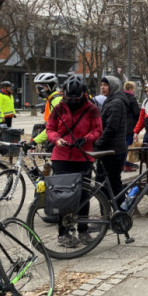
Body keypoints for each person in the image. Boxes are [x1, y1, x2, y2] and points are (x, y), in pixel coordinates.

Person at [46, 75, 102, 247]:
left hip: (83, 156)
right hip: (61, 157)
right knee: (63, 197)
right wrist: (57, 139)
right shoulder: (59, 108)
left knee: (83, 195)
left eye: (75, 99)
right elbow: (50, 128)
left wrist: (86, 139)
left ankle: (83, 230)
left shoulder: (92, 109)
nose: (72, 102)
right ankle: (64, 233)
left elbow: (98, 129)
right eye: (69, 98)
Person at [94, 76, 128, 204]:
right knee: (109, 183)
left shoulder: (116, 102)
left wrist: (98, 143)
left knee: (110, 183)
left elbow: (111, 128)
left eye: (105, 85)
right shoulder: (112, 100)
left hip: (112, 150)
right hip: (111, 149)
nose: (102, 87)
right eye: (101, 84)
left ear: (113, 86)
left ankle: (117, 212)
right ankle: (114, 212)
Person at [32, 72, 63, 148]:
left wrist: (34, 141)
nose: (38, 90)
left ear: (50, 87)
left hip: (59, 140)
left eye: (41, 87)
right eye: (37, 87)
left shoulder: (56, 101)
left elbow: (54, 127)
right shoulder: (51, 99)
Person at [122, 81, 140, 172]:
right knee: (129, 145)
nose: (134, 90)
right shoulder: (132, 99)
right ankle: (127, 164)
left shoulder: (121, 97)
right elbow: (137, 113)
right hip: (130, 125)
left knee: (122, 144)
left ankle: (122, 164)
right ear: (130, 89)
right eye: (133, 89)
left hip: (121, 124)